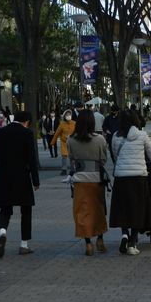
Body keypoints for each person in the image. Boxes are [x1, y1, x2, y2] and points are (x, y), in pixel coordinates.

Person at [0, 110, 40, 258]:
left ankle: (2, 231)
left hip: (4, 176)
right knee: (26, 209)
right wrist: (35, 180)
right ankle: (24, 244)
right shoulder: (27, 134)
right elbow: (32, 159)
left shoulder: (1, 133)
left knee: (5, 208)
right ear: (26, 121)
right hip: (23, 176)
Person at [110, 110, 151, 256]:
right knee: (138, 209)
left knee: (123, 208)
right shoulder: (142, 135)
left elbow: (114, 155)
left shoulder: (115, 136)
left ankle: (124, 234)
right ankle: (132, 243)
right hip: (138, 178)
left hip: (121, 178)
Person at [67, 109, 108, 256]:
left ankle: (88, 243)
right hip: (96, 179)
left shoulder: (71, 139)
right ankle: (100, 239)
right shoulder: (100, 140)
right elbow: (103, 159)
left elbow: (71, 158)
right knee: (98, 210)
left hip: (79, 181)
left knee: (82, 212)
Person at [51, 109, 76, 178]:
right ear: (64, 116)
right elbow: (57, 133)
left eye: (69, 115)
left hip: (72, 142)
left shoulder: (74, 123)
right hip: (64, 142)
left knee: (72, 157)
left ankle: (72, 170)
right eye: (67, 115)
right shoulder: (62, 124)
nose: (68, 116)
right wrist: (52, 142)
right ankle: (64, 170)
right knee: (64, 156)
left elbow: (77, 132)